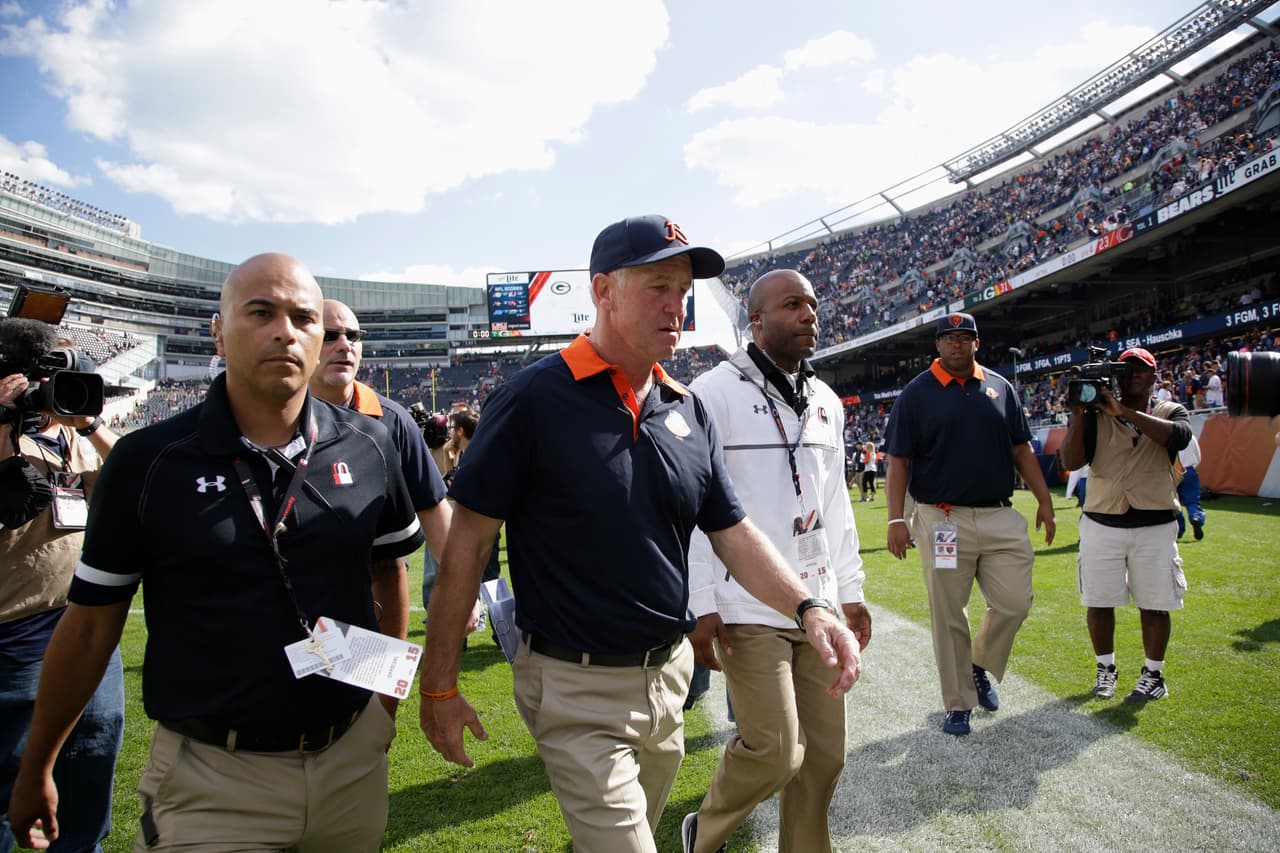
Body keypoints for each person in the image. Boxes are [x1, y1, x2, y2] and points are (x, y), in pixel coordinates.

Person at [418, 215, 861, 853]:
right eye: (657, 287)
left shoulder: (686, 406)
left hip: (668, 680)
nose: (675, 306)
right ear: (603, 292)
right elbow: (467, 548)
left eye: (682, 291)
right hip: (576, 685)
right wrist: (440, 682)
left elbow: (733, 532)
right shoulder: (532, 399)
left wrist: (809, 606)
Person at [7, 253, 426, 851]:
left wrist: (383, 706)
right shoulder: (147, 461)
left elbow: (389, 571)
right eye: (261, 312)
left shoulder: (370, 442)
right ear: (219, 331)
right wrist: (39, 762)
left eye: (304, 318)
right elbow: (91, 626)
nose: (285, 330)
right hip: (212, 776)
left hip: (349, 762)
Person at [683, 270, 871, 853]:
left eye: (813, 304)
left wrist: (851, 589)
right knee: (776, 749)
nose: (809, 314)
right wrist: (702, 601)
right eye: (793, 305)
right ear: (756, 321)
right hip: (747, 601)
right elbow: (695, 508)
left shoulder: (826, 401)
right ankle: (704, 831)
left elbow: (834, 504)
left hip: (817, 603)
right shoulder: (711, 393)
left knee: (825, 756)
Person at [884, 312, 1056, 736]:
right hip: (942, 518)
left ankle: (978, 663)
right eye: (949, 338)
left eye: (966, 338)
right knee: (948, 614)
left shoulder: (1001, 387)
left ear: (977, 343)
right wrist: (895, 518)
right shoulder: (916, 394)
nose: (957, 345)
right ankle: (958, 702)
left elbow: (1022, 449)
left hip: (1000, 514)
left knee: (1015, 602)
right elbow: (899, 461)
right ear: (937, 346)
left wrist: (1046, 500)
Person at [0, 320, 122, 853]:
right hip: (12, 633)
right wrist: (4, 423)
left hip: (79, 624)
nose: (63, 382)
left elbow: (132, 478)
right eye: (53, 371)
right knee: (7, 781)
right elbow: (10, 501)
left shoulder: (73, 435)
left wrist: (90, 422)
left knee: (89, 765)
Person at [1060, 347, 1191, 702]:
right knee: (1099, 601)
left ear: (1154, 375)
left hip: (1155, 522)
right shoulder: (1095, 416)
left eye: (1141, 369)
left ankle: (1153, 673)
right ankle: (1106, 669)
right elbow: (1071, 461)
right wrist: (1076, 415)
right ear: (1114, 375)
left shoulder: (1170, 410)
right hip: (1103, 520)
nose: (1134, 375)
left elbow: (1178, 438)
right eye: (1126, 369)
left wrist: (1125, 412)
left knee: (1155, 602)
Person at [309, 297, 452, 567]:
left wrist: (467, 597)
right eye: (329, 336)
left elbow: (435, 513)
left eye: (353, 336)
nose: (345, 345)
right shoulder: (277, 417)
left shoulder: (394, 421)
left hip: (380, 584)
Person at [1175, 435, 1205, 541]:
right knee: (1192, 500)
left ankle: (1178, 530)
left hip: (1174, 470)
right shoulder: (1191, 437)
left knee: (1174, 502)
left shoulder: (1168, 434)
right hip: (1189, 470)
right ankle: (1196, 517)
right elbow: (1198, 457)